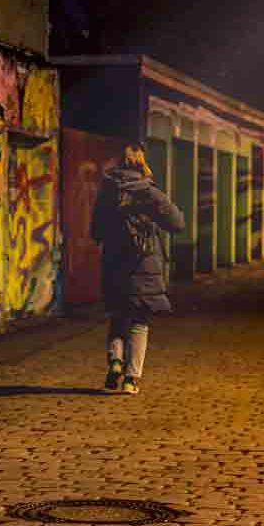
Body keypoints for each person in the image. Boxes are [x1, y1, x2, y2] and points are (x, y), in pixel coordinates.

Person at [91, 144, 186, 394]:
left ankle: (115, 361)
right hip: (143, 264)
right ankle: (131, 379)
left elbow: (96, 231)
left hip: (114, 263)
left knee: (118, 316)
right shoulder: (149, 191)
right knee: (139, 321)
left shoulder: (108, 191)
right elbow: (177, 223)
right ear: (142, 162)